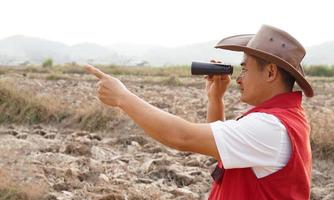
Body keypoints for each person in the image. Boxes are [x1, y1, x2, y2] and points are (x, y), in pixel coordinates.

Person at [85, 24, 313, 199]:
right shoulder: (284, 119)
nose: (240, 79)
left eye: (244, 69)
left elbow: (181, 137)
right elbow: (222, 152)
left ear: (271, 72)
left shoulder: (270, 127)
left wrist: (123, 98)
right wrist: (215, 98)